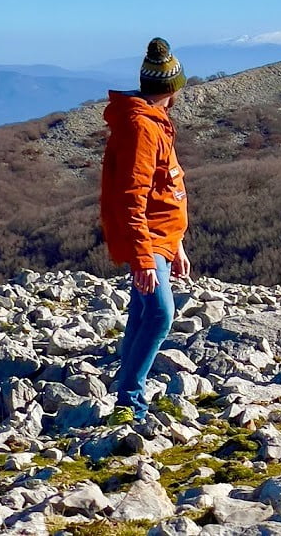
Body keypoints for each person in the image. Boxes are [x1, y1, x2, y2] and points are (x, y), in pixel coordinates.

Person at [99, 37, 190, 424]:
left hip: (160, 239)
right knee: (159, 316)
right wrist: (143, 259)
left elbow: (162, 190)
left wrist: (177, 244)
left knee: (141, 313)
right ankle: (130, 401)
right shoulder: (142, 128)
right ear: (171, 89)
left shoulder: (153, 122)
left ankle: (127, 390)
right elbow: (132, 197)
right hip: (146, 239)